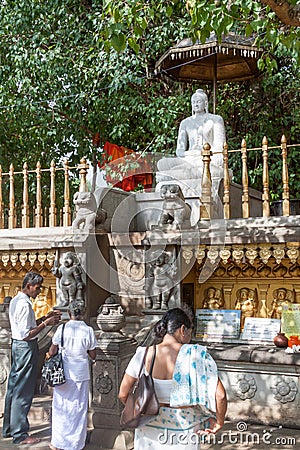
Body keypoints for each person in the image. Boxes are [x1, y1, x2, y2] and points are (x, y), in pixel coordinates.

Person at [119, 307, 227, 449]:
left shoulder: (144, 353)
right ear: (183, 329)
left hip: (148, 428)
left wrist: (143, 410)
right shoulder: (196, 355)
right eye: (190, 332)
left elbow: (123, 394)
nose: (190, 338)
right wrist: (219, 422)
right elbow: (220, 395)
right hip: (184, 431)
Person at [2, 272, 61, 445]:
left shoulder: (16, 301)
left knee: (13, 388)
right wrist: (46, 324)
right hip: (25, 348)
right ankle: (20, 433)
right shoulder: (24, 305)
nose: (39, 291)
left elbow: (27, 325)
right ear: (28, 286)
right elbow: (26, 334)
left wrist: (45, 318)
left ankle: (9, 428)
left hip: (18, 347)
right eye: (37, 288)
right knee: (23, 390)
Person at [48, 299, 97, 450]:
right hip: (80, 374)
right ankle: (76, 443)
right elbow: (93, 355)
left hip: (62, 373)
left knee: (60, 406)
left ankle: (58, 442)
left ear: (68, 313)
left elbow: (52, 351)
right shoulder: (88, 330)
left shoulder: (62, 329)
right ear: (84, 313)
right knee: (79, 407)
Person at [156, 89, 226, 184]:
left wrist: (203, 154)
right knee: (162, 163)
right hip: (189, 158)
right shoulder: (185, 123)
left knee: (211, 165)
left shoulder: (216, 120)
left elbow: (219, 149)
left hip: (207, 159)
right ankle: (185, 170)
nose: (196, 105)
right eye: (193, 102)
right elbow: (179, 151)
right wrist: (192, 153)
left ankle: (179, 172)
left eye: (198, 102)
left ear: (205, 103)